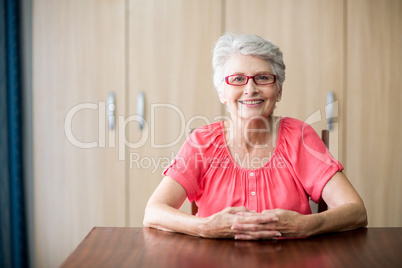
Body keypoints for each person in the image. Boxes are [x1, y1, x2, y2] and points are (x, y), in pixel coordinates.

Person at [143, 33, 367, 240]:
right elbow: (153, 212)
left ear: (278, 90)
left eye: (262, 78)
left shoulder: (299, 137)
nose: (250, 89)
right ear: (222, 92)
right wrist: (204, 226)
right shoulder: (202, 143)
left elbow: (356, 211)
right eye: (238, 79)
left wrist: (306, 225)